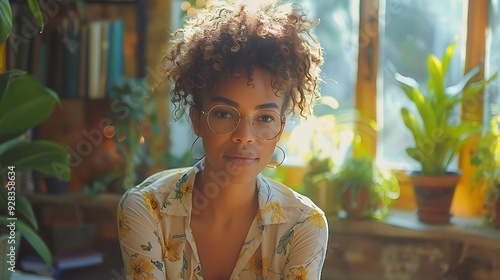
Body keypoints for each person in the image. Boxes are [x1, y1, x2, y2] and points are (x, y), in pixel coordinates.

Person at [117, 0, 328, 279]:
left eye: (264, 118)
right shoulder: (147, 209)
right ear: (196, 120)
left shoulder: (304, 224)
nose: (244, 137)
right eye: (225, 114)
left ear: (280, 128)